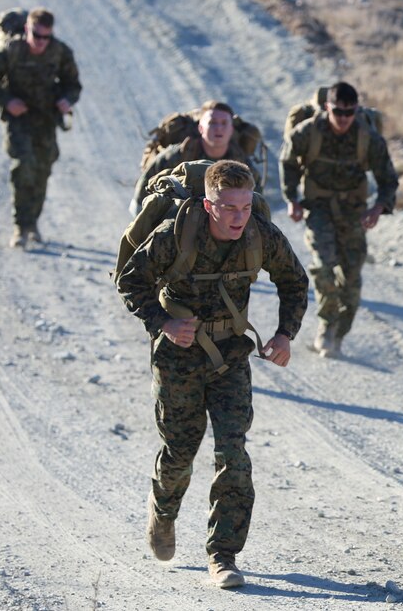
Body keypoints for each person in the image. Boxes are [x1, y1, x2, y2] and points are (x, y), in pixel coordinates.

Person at [115, 160, 308, 589]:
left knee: (233, 452)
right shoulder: (174, 235)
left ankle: (223, 555)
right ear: (208, 204)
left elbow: (295, 281)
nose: (239, 217)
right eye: (229, 208)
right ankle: (163, 512)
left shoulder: (260, 234)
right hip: (177, 357)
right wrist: (163, 322)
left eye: (245, 207)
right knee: (180, 452)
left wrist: (284, 334)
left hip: (230, 358)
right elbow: (129, 281)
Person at [279, 81, 399, 357]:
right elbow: (288, 161)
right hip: (318, 209)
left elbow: (388, 178)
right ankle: (326, 324)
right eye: (338, 112)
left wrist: (378, 208)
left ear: (356, 110)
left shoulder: (367, 137)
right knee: (323, 268)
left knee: (351, 278)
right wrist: (292, 199)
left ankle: (339, 332)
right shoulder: (309, 132)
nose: (344, 118)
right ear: (326, 107)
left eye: (349, 112)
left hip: (354, 212)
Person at [0, 8, 81, 248]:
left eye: (46, 37)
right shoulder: (11, 50)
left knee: (43, 168)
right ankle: (21, 226)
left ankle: (33, 222)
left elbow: (73, 84)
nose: (41, 42)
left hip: (46, 118)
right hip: (19, 118)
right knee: (24, 164)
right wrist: (7, 101)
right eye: (37, 35)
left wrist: (67, 100)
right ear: (27, 29)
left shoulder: (59, 51)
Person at [130, 101, 261, 214]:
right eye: (212, 123)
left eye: (224, 123)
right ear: (201, 128)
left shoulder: (240, 162)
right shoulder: (179, 155)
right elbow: (146, 185)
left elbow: (257, 202)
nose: (218, 128)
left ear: (231, 130)